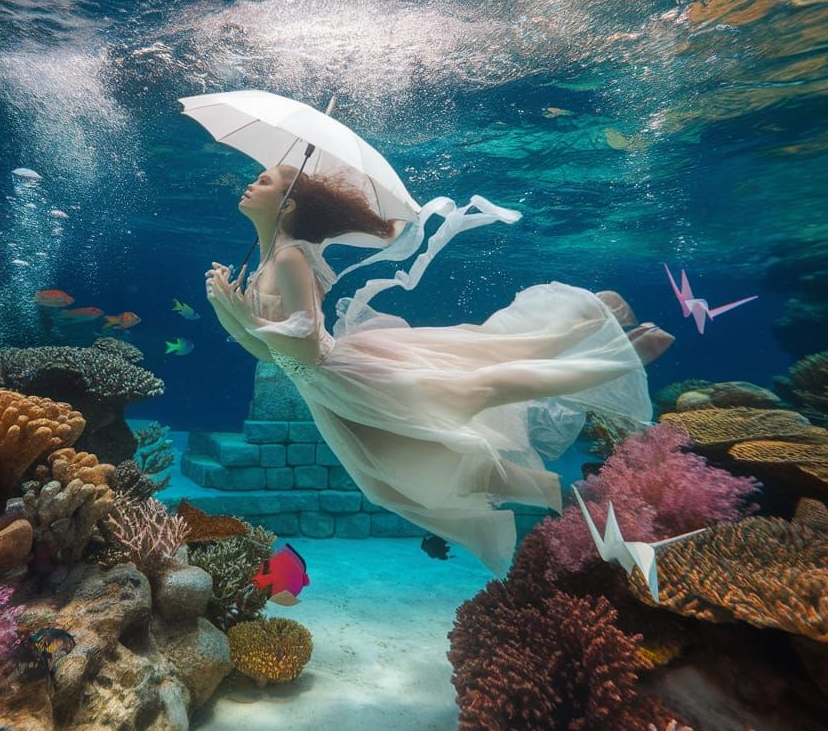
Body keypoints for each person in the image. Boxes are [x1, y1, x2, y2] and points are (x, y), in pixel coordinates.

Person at [205, 165, 672, 574]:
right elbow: (270, 354)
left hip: (343, 373)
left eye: (264, 181)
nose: (251, 184)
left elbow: (305, 338)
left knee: (478, 384)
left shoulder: (288, 257)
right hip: (327, 391)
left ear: (287, 207)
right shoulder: (271, 258)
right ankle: (569, 495)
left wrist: (244, 318)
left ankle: (610, 349)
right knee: (417, 472)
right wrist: (226, 309)